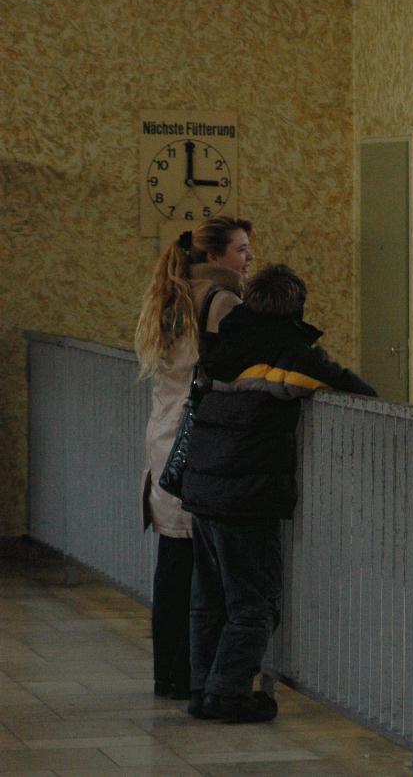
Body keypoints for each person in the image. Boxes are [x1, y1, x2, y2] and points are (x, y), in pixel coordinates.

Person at [181, 263, 376, 722]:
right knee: (255, 604)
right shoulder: (292, 353)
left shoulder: (222, 344)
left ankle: (201, 688)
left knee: (209, 599)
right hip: (247, 491)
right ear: (296, 308)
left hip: (204, 485)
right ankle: (226, 695)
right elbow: (360, 391)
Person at [134, 217, 254, 701]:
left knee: (173, 563)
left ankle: (171, 672)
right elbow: (241, 365)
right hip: (196, 443)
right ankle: (192, 672)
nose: (248, 259)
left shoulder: (172, 296)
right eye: (241, 249)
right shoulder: (219, 302)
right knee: (197, 568)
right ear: (214, 256)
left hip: (165, 439)